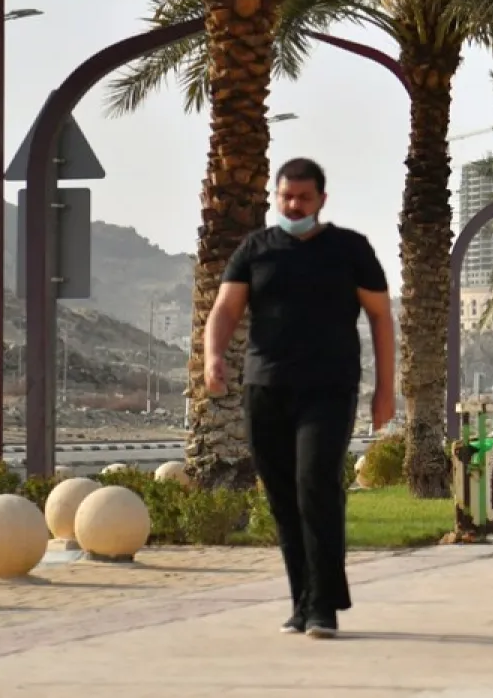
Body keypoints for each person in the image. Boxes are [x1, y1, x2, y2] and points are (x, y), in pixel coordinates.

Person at [203, 157, 395, 639]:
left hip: (328, 389)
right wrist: (213, 356)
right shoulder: (256, 249)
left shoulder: (350, 249)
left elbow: (381, 318)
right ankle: (304, 600)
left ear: (321, 200)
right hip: (265, 388)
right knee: (284, 498)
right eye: (286, 197)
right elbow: (225, 308)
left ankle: (324, 605)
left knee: (316, 485)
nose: (294, 205)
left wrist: (386, 389)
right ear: (276, 196)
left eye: (304, 198)